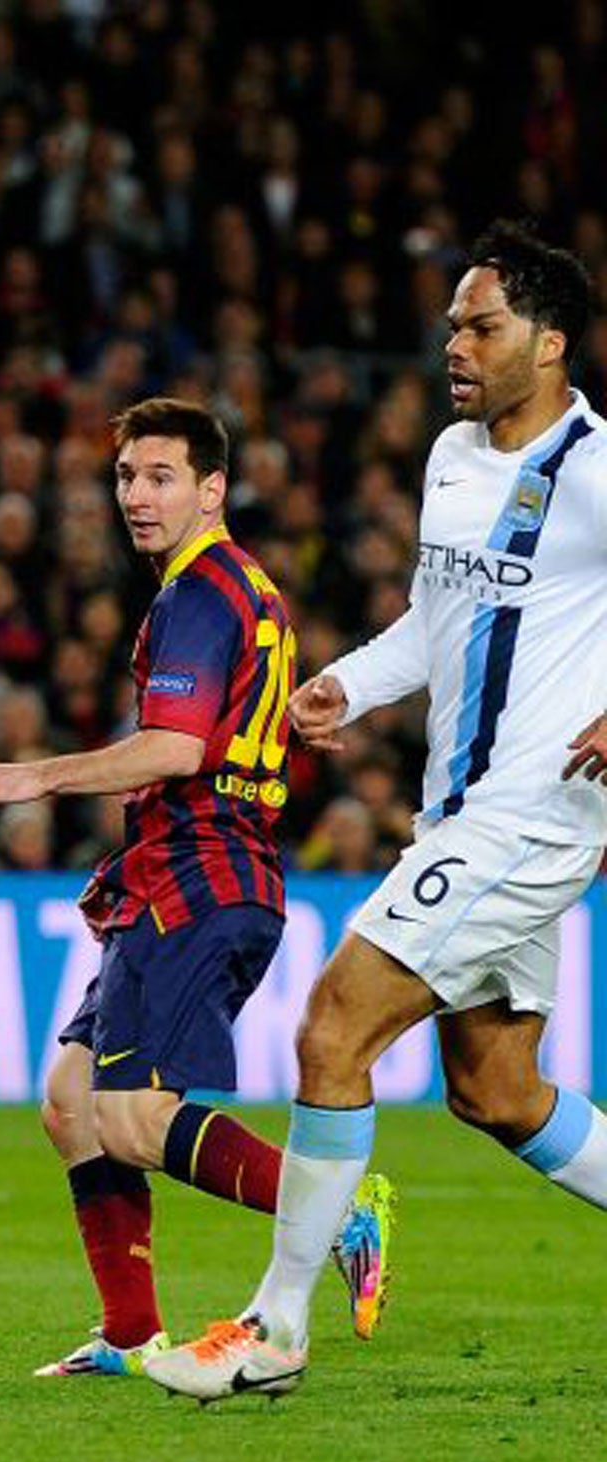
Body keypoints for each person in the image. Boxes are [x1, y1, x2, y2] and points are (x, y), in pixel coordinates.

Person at [151, 224, 607, 1400]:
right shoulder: (453, 457)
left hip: (533, 813)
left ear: (548, 344)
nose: (453, 342)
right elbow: (432, 621)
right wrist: (348, 680)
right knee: (494, 1094)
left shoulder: (595, 468)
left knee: (332, 1028)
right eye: (453, 323)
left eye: (481, 325)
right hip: (459, 809)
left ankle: (274, 1328)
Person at [0, 397, 393, 1379]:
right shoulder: (242, 588)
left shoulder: (196, 593)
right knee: (69, 1100)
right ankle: (128, 1331)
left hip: (198, 874)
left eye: (159, 478)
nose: (135, 498)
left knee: (135, 1120)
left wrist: (32, 774)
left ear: (210, 488)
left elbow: (176, 745)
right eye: (124, 478)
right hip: (177, 872)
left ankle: (337, 1207)